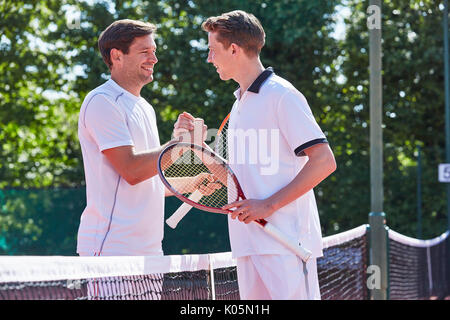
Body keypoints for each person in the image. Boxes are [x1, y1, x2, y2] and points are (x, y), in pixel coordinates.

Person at [200, 10, 337, 300]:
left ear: (234, 49)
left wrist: (269, 205)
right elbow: (236, 179)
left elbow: (324, 161)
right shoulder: (239, 103)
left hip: (286, 243)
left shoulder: (282, 94)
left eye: (212, 50)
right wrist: (199, 148)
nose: (209, 59)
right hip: (248, 244)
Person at [76, 19, 204, 258]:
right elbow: (132, 171)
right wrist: (181, 144)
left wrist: (193, 183)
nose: (153, 59)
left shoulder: (145, 107)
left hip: (150, 251)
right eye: (144, 52)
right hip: (112, 249)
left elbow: (150, 182)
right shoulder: (101, 101)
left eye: (154, 51)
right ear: (117, 56)